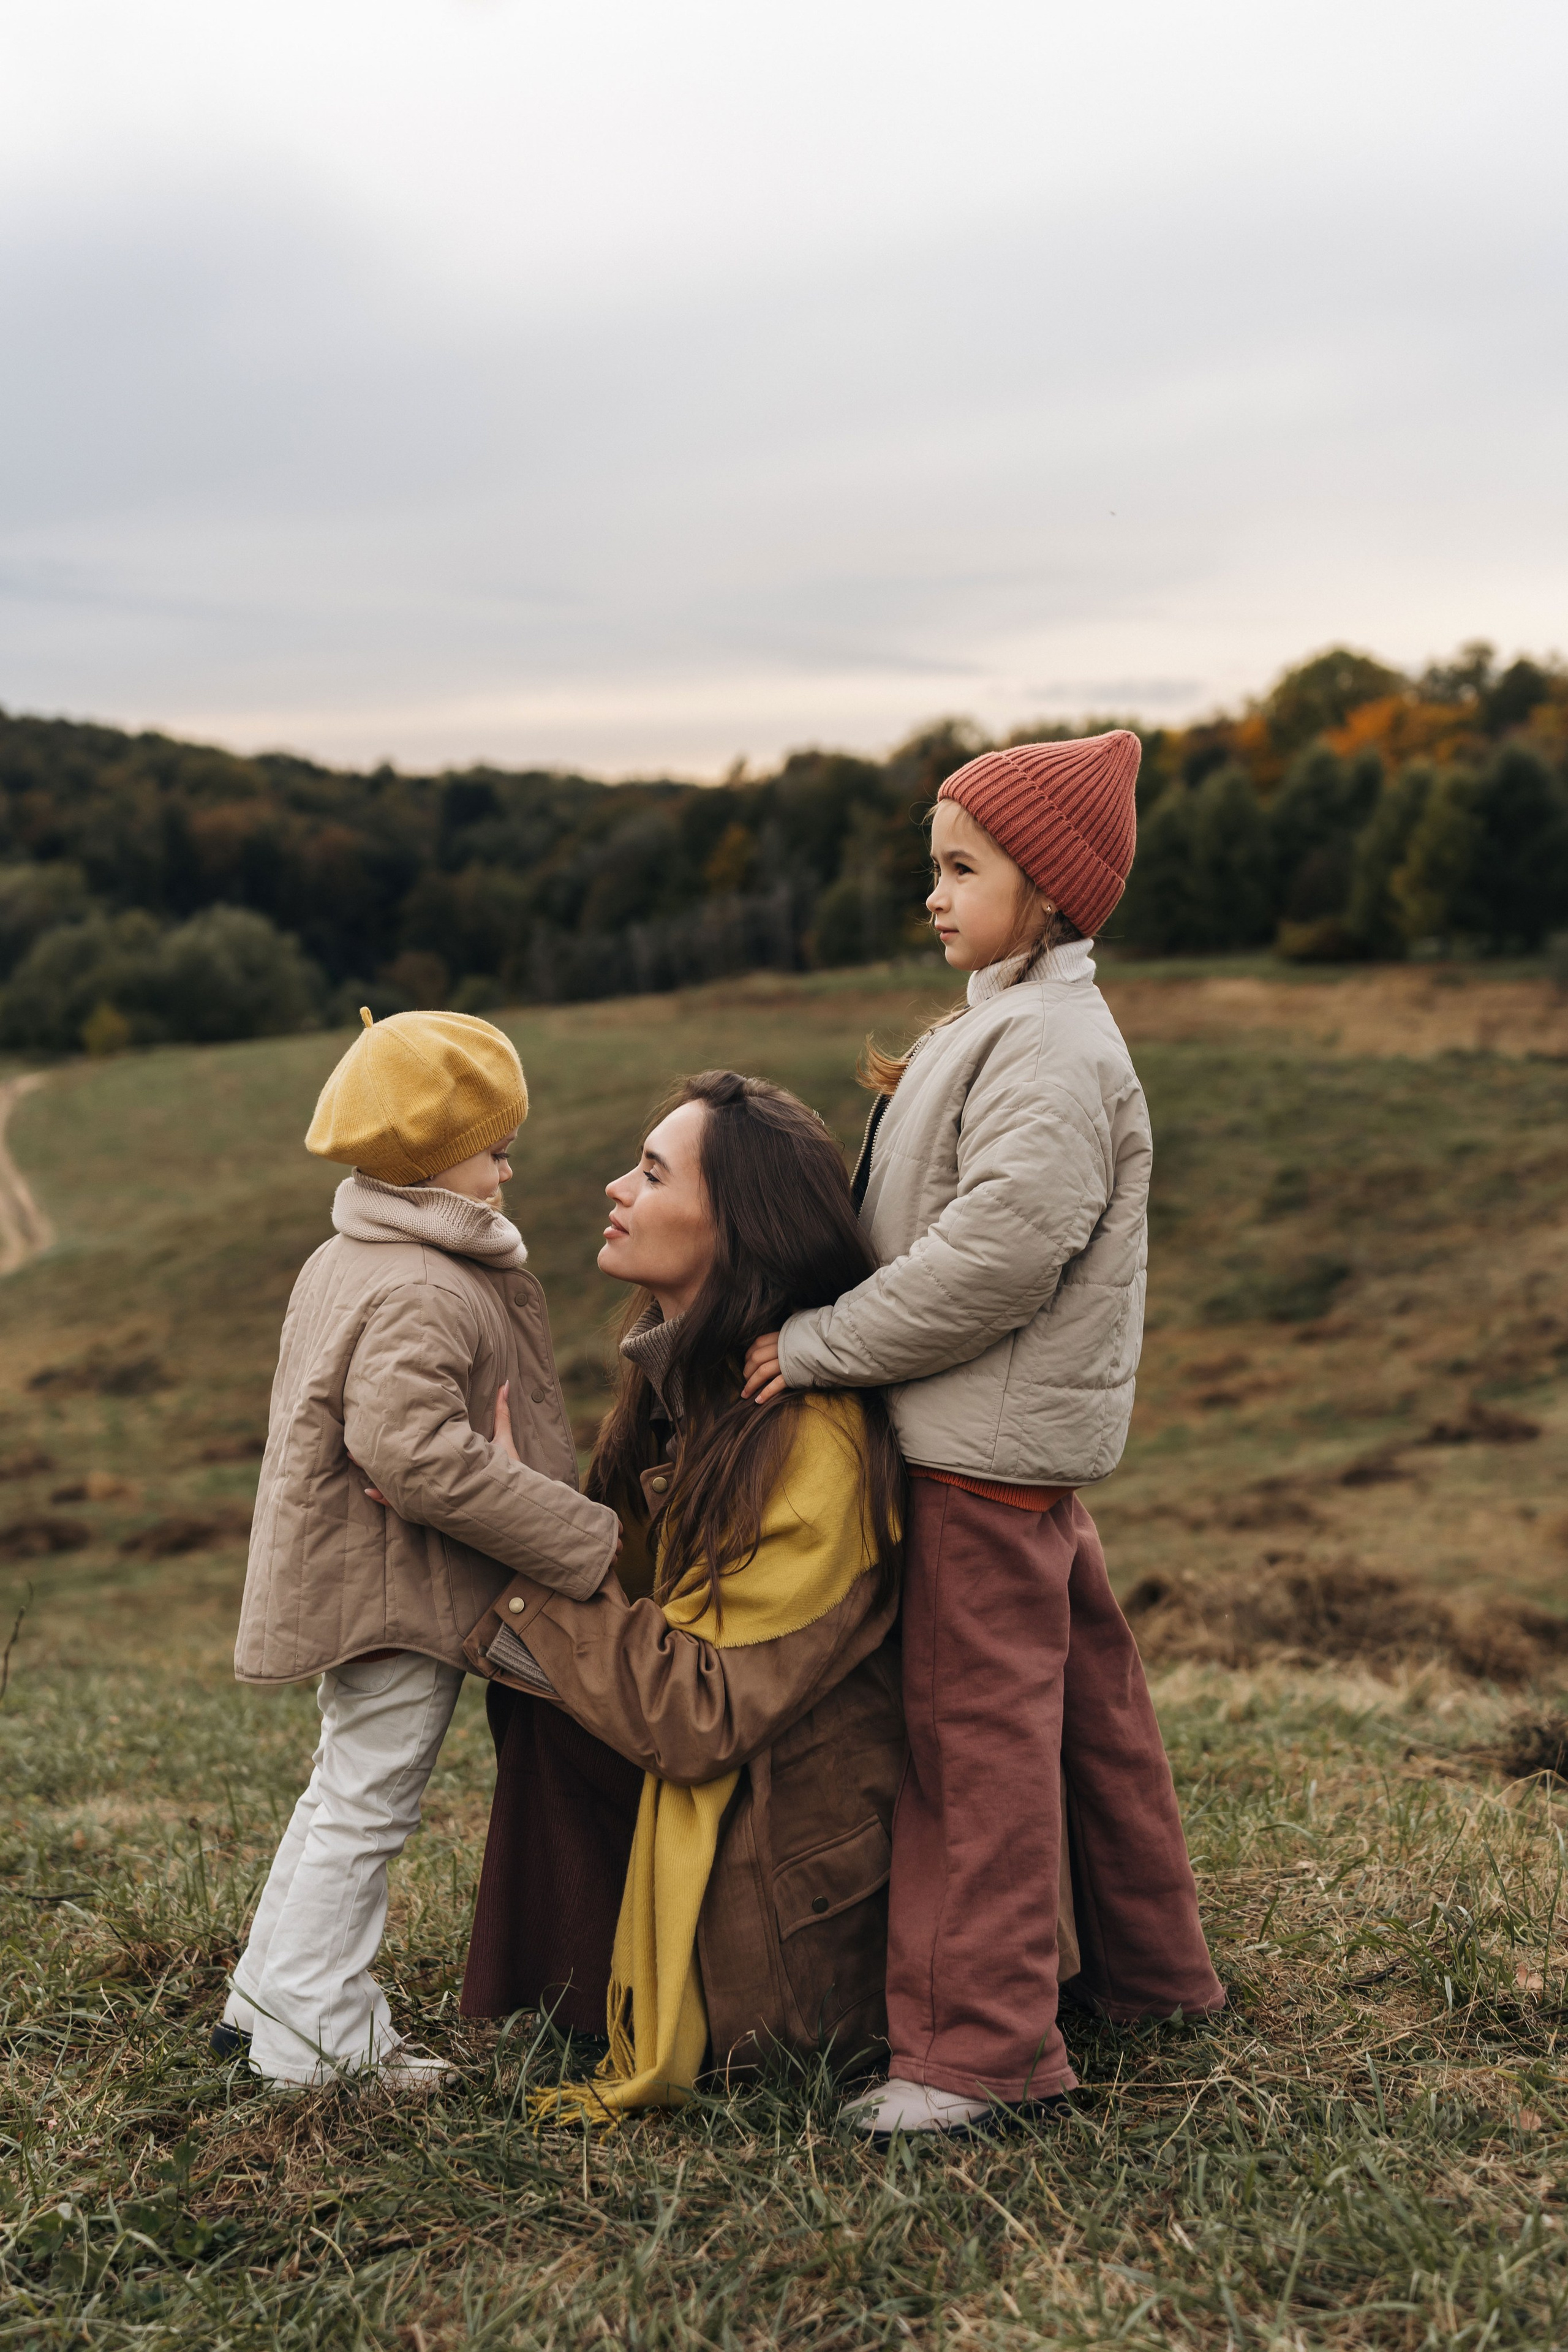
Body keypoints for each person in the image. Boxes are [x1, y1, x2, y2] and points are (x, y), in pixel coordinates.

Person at [743, 732, 1225, 2138]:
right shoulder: (1001, 1023)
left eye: (962, 869)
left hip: (975, 1453)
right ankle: (1150, 1975)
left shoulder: (1051, 1045)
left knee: (973, 1754)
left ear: (1054, 889)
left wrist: (822, 1346)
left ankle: (973, 2055)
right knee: (1087, 1724)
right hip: (1002, 1445)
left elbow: (995, 1261)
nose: (935, 895)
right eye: (932, 868)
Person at [459, 1070, 907, 2114]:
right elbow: (620, 1594)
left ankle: (642, 2002)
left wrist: (516, 1535)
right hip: (755, 1828)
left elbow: (700, 1712)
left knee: (558, 1657)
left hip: (797, 1924)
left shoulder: (812, 1441)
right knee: (544, 1685)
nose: (617, 1188)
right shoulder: (688, 1392)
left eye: (653, 1172)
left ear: (738, 1228)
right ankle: (577, 1986)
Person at [221, 1009, 620, 2090]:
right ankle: (316, 2039)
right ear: (431, 1156)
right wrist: (575, 1532)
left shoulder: (356, 1254)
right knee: (371, 1798)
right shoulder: (423, 1283)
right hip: (397, 1592)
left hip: (367, 1577)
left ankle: (263, 1997)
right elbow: (411, 1453)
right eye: (493, 1146)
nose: (508, 1165)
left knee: (340, 1784)